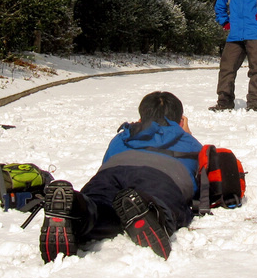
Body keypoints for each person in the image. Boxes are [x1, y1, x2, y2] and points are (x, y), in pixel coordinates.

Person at [39, 91, 203, 263]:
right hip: (161, 177)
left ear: (140, 119)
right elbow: (200, 176)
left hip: (111, 172)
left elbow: (106, 162)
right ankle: (148, 212)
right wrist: (187, 134)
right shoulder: (189, 142)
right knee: (160, 202)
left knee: (99, 202)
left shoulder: (123, 136)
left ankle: (78, 211)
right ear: (181, 121)